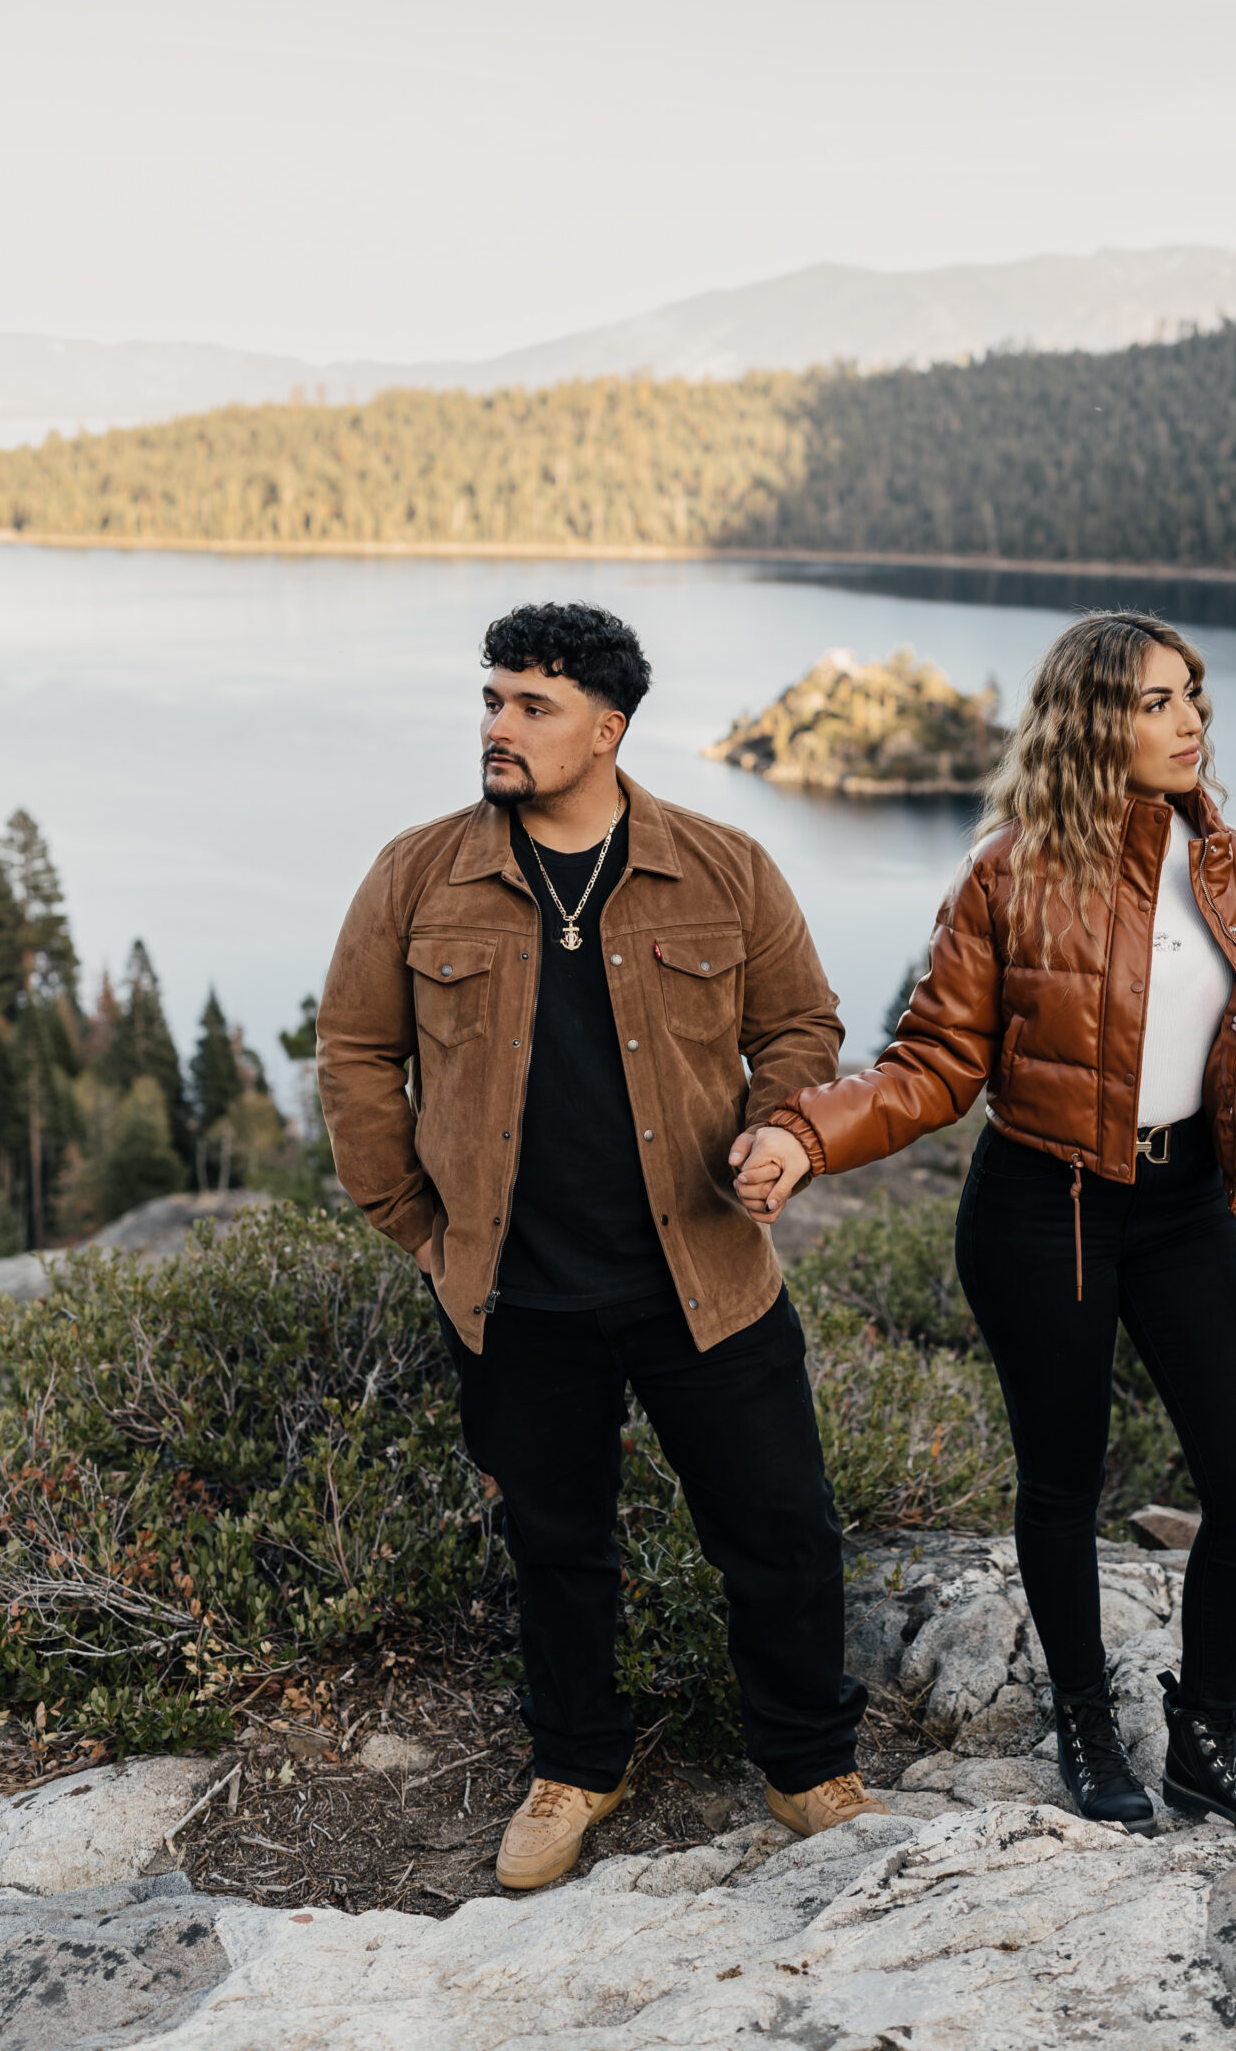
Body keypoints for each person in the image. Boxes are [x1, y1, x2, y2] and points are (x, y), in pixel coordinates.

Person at [732, 610, 1236, 1848]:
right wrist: (806, 1132)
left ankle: (1208, 1740)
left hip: (1186, 1212)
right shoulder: (1012, 873)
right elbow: (934, 1063)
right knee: (1063, 1482)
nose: (1190, 722)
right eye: (1159, 701)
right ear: (1092, 719)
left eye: (1194, 699)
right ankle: (1086, 1721)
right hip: (1040, 1210)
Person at [318, 600, 887, 1890]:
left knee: (782, 1530)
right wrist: (413, 1224)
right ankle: (578, 1764)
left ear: (608, 729)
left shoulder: (725, 864)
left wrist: (781, 1127)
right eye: (492, 699)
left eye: (532, 705)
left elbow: (802, 1023)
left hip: (708, 1281)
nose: (497, 727)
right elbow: (357, 1051)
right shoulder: (417, 873)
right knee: (557, 1545)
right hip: (515, 1297)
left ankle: (806, 1767)